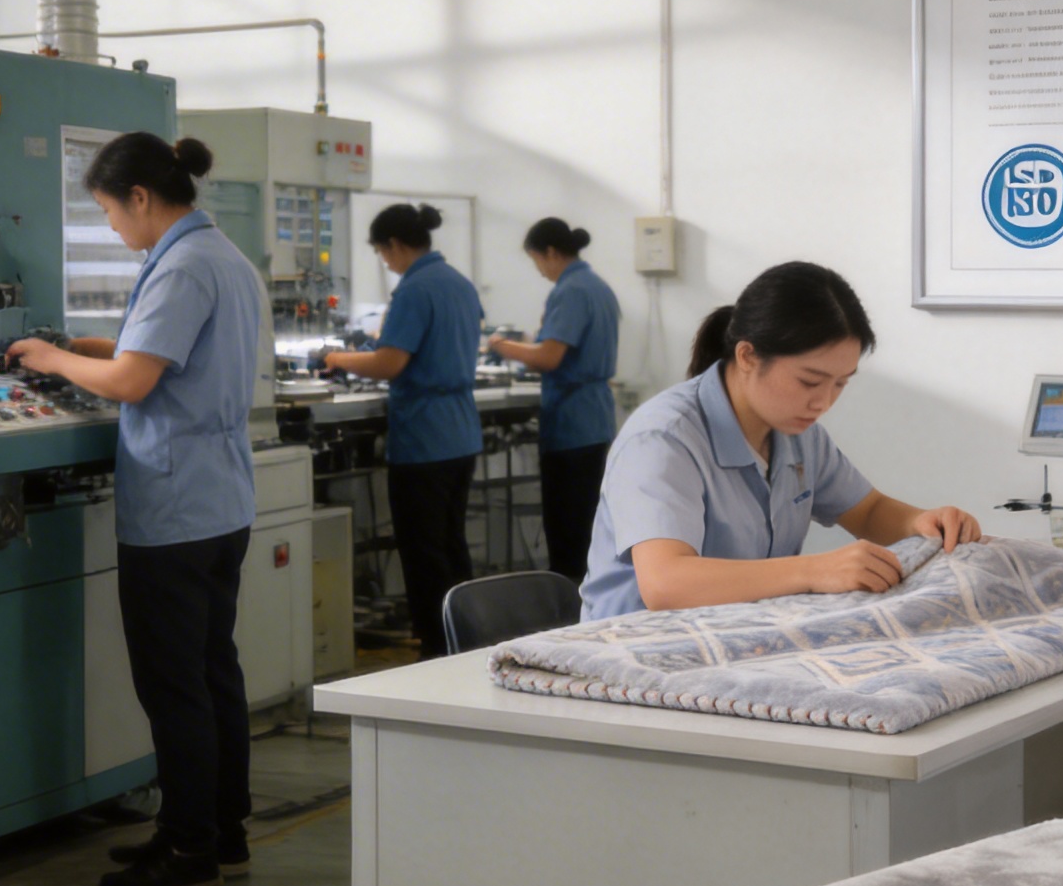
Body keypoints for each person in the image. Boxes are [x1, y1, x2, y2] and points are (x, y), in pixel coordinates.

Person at [7, 132, 262, 886]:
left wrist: (53, 361)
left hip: (175, 509)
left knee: (175, 686)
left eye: (109, 211)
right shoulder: (221, 255)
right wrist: (77, 344)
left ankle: (188, 853)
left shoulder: (180, 266)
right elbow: (151, 354)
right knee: (214, 674)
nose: (112, 226)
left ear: (142, 198)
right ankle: (220, 831)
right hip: (220, 501)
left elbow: (131, 382)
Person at [581, 261, 981, 620]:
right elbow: (666, 583)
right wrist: (815, 570)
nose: (823, 402)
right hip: (632, 649)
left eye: (840, 384)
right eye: (809, 381)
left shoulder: (799, 436)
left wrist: (920, 522)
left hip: (735, 637)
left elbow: (868, 510)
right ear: (748, 356)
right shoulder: (664, 438)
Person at [324, 203, 482, 659]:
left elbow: (389, 362)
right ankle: (465, 643)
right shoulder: (459, 283)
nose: (385, 262)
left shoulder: (414, 289)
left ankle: (435, 651)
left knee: (423, 553)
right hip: (460, 432)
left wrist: (337, 359)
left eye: (381, 252)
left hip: (425, 439)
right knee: (451, 545)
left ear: (393, 245)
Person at [487, 217, 620, 582]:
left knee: (567, 532)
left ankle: (566, 605)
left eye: (536, 261)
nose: (539, 271)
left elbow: (549, 356)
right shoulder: (597, 287)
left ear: (549, 253)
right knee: (586, 526)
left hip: (571, 423)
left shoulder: (570, 289)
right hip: (594, 419)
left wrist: (501, 345)